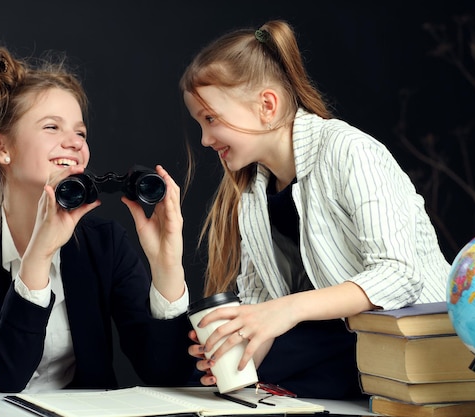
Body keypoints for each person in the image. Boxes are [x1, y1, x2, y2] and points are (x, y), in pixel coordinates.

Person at [180, 20, 451, 399]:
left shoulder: (347, 151)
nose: (206, 139)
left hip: (411, 341)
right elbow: (259, 300)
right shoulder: (252, 192)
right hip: (344, 339)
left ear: (267, 106)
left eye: (210, 120)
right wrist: (240, 354)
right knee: (203, 384)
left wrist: (286, 311)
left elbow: (399, 274)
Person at [0, 45, 195, 393]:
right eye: (52, 127)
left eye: (81, 133)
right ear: (1, 147)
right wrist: (38, 258)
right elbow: (2, 379)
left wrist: (167, 267)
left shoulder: (104, 242)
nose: (74, 143)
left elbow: (165, 374)